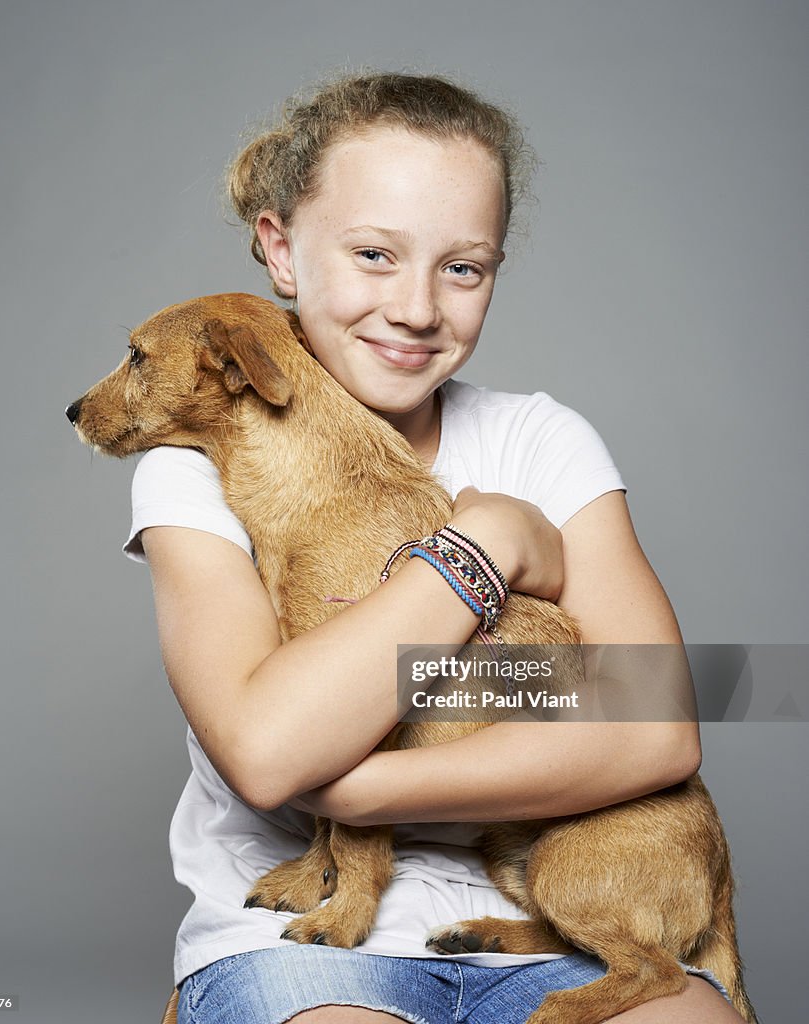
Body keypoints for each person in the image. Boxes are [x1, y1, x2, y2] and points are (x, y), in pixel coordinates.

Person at [123, 73, 743, 1024]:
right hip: (301, 943)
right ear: (280, 248)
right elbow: (266, 750)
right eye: (374, 254)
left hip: (551, 923)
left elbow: (656, 728)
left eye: (463, 268)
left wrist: (358, 783)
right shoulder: (204, 462)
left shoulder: (541, 440)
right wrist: (480, 547)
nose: (415, 309)